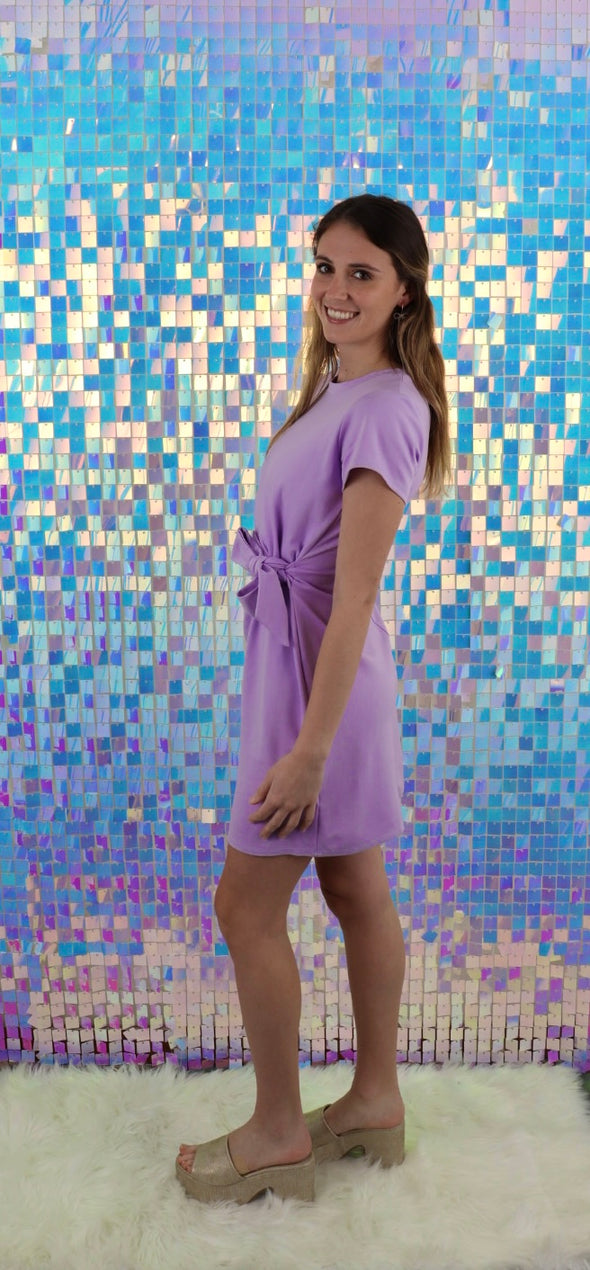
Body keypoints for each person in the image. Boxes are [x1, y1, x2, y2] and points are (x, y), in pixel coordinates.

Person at [176, 194, 451, 1204]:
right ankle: (373, 1100)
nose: (336, 290)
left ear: (404, 290)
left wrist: (307, 751)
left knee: (243, 905)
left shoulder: (384, 408)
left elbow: (356, 598)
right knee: (354, 889)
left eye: (361, 273)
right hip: (297, 676)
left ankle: (279, 1131)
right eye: (324, 266)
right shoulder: (337, 388)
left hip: (321, 697)